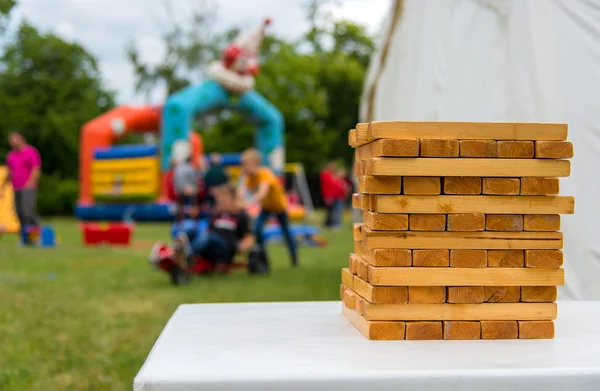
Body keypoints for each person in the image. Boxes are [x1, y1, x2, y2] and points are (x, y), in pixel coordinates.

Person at [237, 148, 298, 267]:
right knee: (257, 229)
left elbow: (262, 192)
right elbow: (241, 192)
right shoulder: (248, 177)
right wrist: (242, 179)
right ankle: (262, 256)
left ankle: (294, 256)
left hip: (279, 206)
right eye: (243, 165)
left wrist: (248, 202)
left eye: (246, 165)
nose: (244, 168)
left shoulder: (265, 173)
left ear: (255, 164)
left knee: (286, 232)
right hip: (266, 207)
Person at [175, 185, 255, 273]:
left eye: (224, 200)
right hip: (209, 244)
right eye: (219, 200)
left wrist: (243, 246)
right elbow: (208, 229)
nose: (220, 203)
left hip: (225, 248)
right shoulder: (217, 215)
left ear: (232, 200)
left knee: (208, 236)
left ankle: (187, 256)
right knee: (189, 231)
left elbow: (249, 237)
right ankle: (176, 251)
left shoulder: (240, 215)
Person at [1, 131, 42, 233]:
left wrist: (30, 183)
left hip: (28, 187)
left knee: (27, 211)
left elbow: (36, 169)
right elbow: (9, 172)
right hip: (16, 187)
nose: (12, 142)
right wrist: (2, 187)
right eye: (11, 140)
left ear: (22, 139)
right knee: (19, 213)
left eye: (15, 139)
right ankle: (25, 236)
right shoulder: (11, 155)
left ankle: (38, 232)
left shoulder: (31, 151)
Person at [173, 155, 200, 221]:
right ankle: (193, 219)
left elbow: (175, 180)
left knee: (180, 206)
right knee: (193, 204)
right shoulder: (190, 168)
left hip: (179, 190)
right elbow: (194, 180)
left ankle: (179, 220)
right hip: (188, 190)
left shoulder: (178, 168)